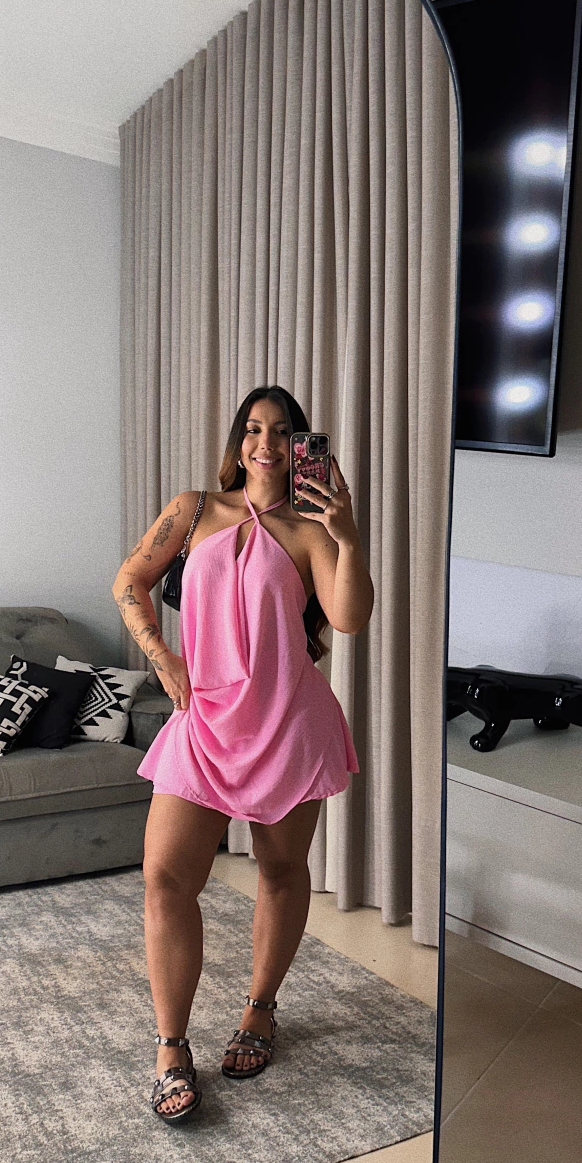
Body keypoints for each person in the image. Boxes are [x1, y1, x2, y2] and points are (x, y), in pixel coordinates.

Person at [111, 385, 373, 1123]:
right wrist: (162, 656)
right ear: (237, 442)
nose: (267, 443)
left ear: (300, 446)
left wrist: (348, 535)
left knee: (281, 871)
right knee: (165, 878)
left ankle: (260, 1008)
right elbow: (128, 580)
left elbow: (349, 617)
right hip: (204, 722)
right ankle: (171, 1046)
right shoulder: (193, 510)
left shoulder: (310, 530)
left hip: (286, 723)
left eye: (283, 431)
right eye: (254, 429)